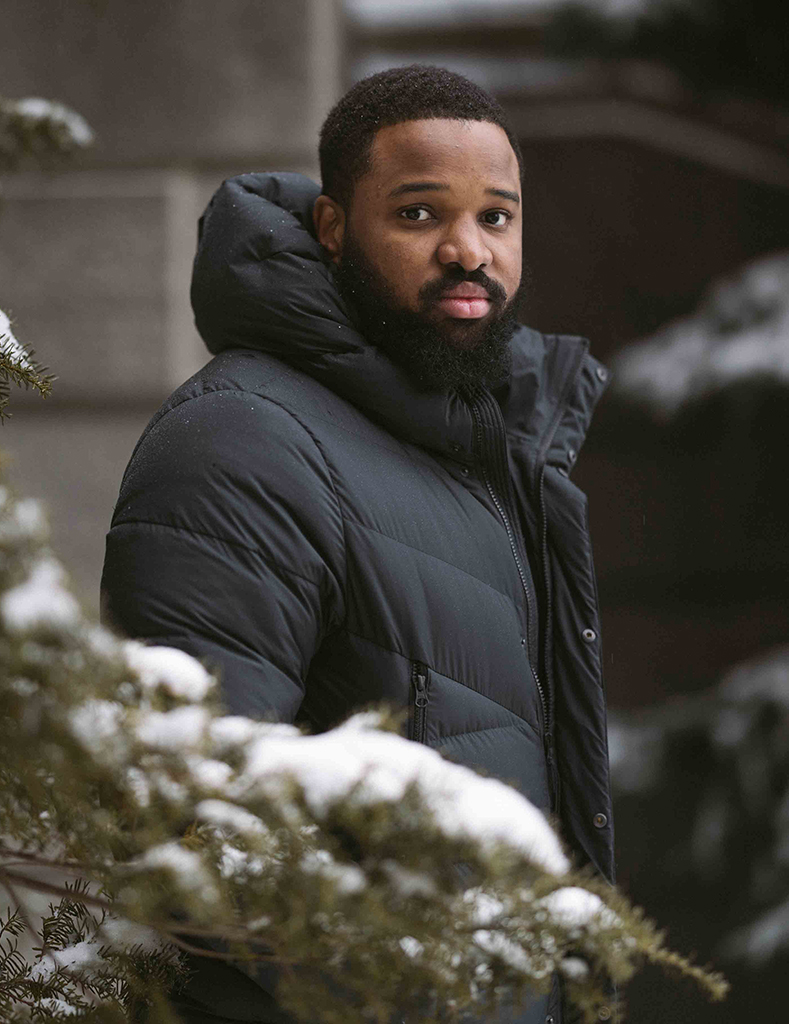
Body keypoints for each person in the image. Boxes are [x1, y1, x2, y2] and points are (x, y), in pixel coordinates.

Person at [102, 64, 614, 1024]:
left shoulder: (487, 452)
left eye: (495, 218)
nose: (469, 251)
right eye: (419, 215)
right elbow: (193, 840)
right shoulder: (242, 442)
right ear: (334, 229)